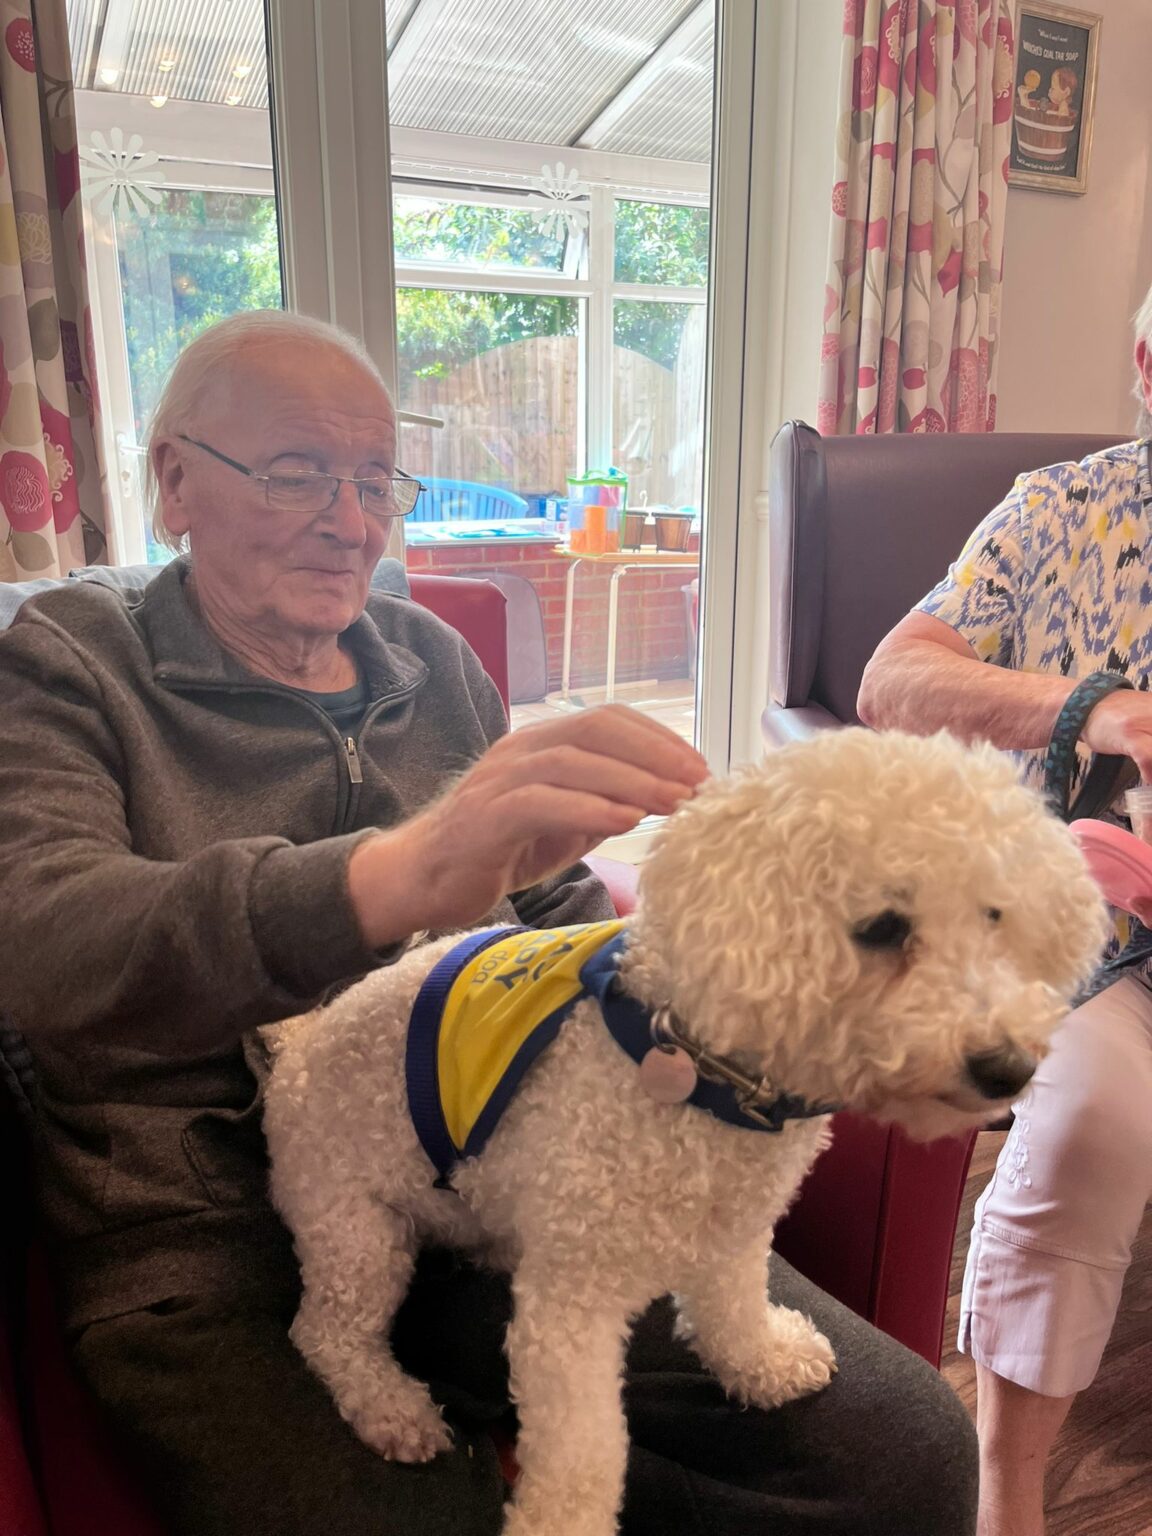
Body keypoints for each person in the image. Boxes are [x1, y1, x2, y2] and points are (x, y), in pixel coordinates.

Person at [0, 310, 977, 1536]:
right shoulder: (70, 661)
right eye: (298, 472)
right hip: (203, 1234)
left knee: (906, 1454)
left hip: (505, 1184)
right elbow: (39, 939)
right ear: (174, 481)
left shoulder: (431, 658)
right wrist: (383, 880)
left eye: (376, 481)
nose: (352, 522)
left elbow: (555, 909)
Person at [857, 284, 1152, 1536]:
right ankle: (1008, 1500)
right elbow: (891, 681)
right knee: (1087, 1128)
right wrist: (1092, 709)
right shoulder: (1062, 510)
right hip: (1097, 936)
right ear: (1146, 366)